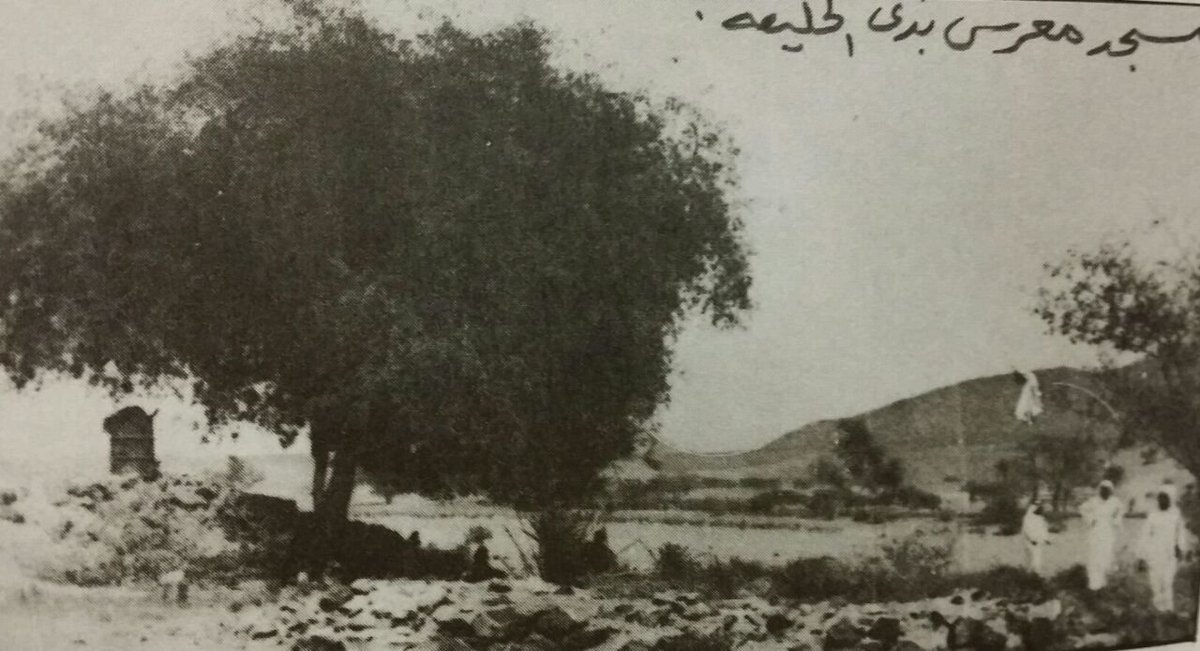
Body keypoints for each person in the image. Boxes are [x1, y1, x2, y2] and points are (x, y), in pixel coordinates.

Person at [1138, 484, 1188, 612]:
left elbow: (1180, 533)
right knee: (1155, 582)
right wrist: (1141, 556)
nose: (1162, 501)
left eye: (1165, 498)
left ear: (1171, 499)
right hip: (1154, 553)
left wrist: (1180, 548)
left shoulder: (1176, 515)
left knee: (1167, 581)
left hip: (1169, 554)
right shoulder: (1153, 515)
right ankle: (1159, 609)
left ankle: (1168, 609)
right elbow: (1144, 536)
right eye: (1160, 498)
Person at [1081, 479, 1124, 590]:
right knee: (1094, 555)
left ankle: (1103, 584)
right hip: (1096, 531)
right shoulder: (1093, 501)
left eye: (1107, 490)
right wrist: (1091, 520)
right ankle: (1094, 584)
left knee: (1106, 555)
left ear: (1111, 491)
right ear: (1100, 490)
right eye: (1103, 490)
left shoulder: (1115, 502)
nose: (1105, 492)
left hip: (1108, 531)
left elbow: (1121, 512)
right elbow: (1082, 509)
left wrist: (1115, 520)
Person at [1022, 499, 1052, 575]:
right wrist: (1032, 539)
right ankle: (1029, 573)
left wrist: (1046, 539)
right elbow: (1026, 530)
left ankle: (1036, 573)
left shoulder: (1040, 518)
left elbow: (1044, 529)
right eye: (1038, 508)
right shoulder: (1028, 518)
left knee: (1038, 557)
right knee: (1031, 557)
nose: (1040, 510)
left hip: (1039, 541)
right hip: (1030, 542)